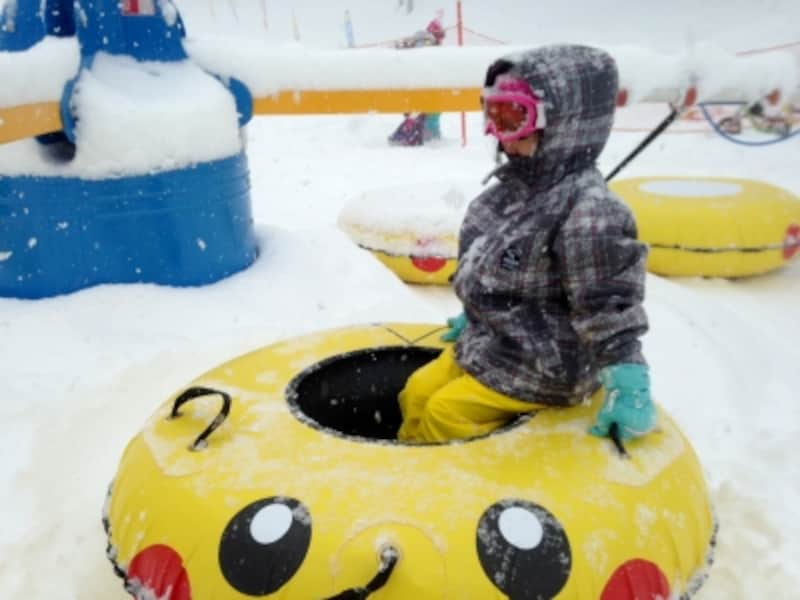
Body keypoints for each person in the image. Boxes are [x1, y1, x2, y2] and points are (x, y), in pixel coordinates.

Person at [397, 44, 657, 444]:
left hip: (547, 366)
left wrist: (627, 374)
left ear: (567, 123)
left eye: (514, 117)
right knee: (416, 391)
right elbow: (495, 265)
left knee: (444, 413)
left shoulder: (589, 211)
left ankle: (446, 489)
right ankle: (405, 464)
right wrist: (477, 312)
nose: (499, 134)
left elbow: (607, 303)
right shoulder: (508, 193)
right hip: (499, 345)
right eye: (493, 114)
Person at [388, 18, 446, 146]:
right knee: (423, 114)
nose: (440, 39)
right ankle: (419, 134)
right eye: (440, 35)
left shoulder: (429, 44)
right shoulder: (427, 43)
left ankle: (425, 133)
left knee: (425, 114)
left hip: (421, 87)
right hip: (421, 87)